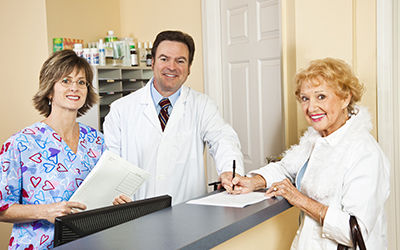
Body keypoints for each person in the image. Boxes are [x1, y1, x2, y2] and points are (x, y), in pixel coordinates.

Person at [228, 58, 390, 249]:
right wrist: (254, 181)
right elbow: (287, 168)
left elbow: (355, 232)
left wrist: (299, 198)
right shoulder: (316, 140)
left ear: (346, 98)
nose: (311, 108)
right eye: (305, 98)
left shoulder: (365, 153)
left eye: (321, 96)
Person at [104, 30, 244, 205]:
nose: (172, 66)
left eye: (180, 61)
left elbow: (223, 140)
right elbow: (111, 165)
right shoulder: (121, 109)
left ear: (189, 68)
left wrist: (230, 173)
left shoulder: (203, 105)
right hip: (134, 213)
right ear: (152, 62)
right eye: (164, 59)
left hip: (187, 212)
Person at [0, 50, 107, 249]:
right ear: (49, 90)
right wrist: (43, 211)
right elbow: (2, 207)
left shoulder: (96, 141)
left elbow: (101, 191)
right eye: (66, 81)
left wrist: (115, 201)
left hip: (87, 243)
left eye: (81, 82)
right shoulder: (20, 144)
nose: (75, 87)